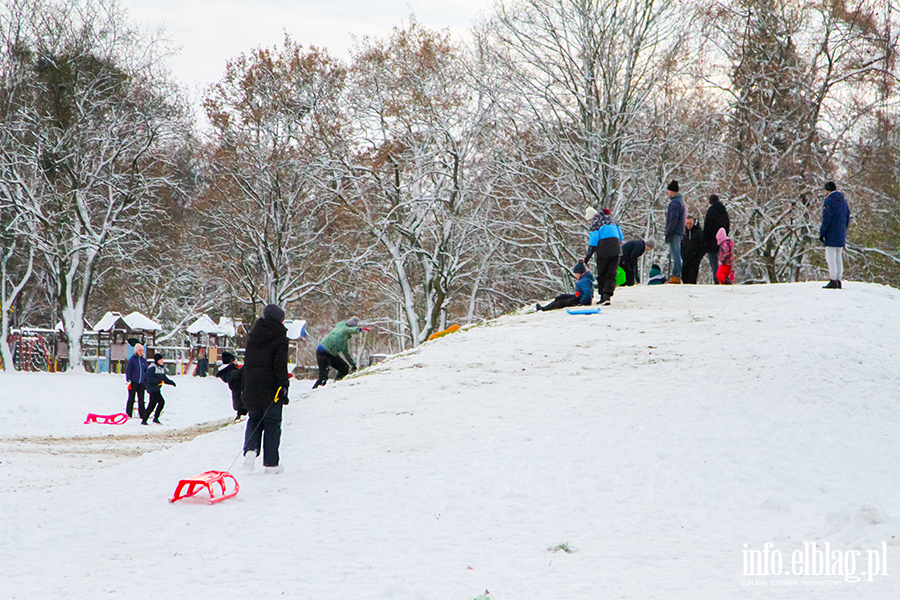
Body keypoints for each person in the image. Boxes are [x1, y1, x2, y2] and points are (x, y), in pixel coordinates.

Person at [242, 303, 290, 474]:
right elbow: (280, 365)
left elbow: (247, 364)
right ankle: (271, 464)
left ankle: (250, 451)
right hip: (271, 389)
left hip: (252, 387)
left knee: (254, 419)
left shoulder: (253, 336)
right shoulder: (280, 338)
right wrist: (283, 386)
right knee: (272, 424)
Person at [313, 317, 367, 389]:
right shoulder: (341, 325)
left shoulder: (344, 343)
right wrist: (358, 329)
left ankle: (337, 385)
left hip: (332, 354)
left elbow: (347, 354)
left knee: (344, 367)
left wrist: (353, 364)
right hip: (323, 351)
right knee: (323, 376)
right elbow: (346, 330)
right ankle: (315, 392)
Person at [584, 207, 623, 305]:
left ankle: (603, 296)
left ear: (592, 218)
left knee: (602, 273)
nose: (589, 223)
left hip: (604, 249)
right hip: (616, 249)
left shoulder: (596, 225)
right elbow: (621, 237)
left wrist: (587, 258)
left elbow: (593, 243)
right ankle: (607, 296)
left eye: (589, 220)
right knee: (611, 273)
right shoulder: (612, 222)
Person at [820, 181, 850, 289]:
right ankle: (838, 280)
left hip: (831, 232)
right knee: (838, 256)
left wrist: (822, 232)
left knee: (830, 256)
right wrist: (843, 229)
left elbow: (826, 219)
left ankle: (832, 279)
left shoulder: (829, 201)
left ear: (828, 190)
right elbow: (847, 216)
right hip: (841, 232)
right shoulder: (843, 201)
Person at [702, 194, 730, 283]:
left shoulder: (711, 211)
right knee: (722, 261)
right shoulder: (724, 212)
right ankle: (723, 277)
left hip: (711, 242)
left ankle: (717, 279)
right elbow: (727, 226)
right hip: (723, 241)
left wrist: (705, 240)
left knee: (714, 262)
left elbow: (707, 226)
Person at [144, 353, 176, 425]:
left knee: (152, 404)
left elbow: (164, 378)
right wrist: (158, 381)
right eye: (160, 360)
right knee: (161, 402)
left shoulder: (161, 369)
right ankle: (155, 418)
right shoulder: (152, 368)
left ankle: (145, 419)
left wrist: (171, 382)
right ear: (157, 361)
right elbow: (148, 378)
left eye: (162, 360)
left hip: (157, 389)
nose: (162, 361)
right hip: (152, 389)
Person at [664, 180, 686, 283]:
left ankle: (676, 275)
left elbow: (673, 218)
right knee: (676, 253)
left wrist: (669, 231)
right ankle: (676, 274)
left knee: (676, 253)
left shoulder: (675, 203)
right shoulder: (680, 202)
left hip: (675, 232)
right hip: (679, 231)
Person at [216, 351, 246, 421]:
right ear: (231, 361)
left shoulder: (228, 372)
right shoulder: (232, 372)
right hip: (241, 401)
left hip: (238, 401)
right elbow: (238, 374)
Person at [125, 343, 148, 420]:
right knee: (131, 398)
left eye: (142, 350)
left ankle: (142, 414)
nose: (141, 352)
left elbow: (146, 371)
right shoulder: (132, 360)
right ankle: (128, 414)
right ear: (136, 351)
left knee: (141, 399)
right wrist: (129, 380)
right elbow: (129, 370)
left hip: (141, 382)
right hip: (133, 382)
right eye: (140, 350)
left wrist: (146, 380)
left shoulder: (144, 360)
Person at [681, 216, 705, 284]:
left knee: (692, 277)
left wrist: (699, 256)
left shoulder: (699, 232)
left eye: (690, 224)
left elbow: (703, 245)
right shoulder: (683, 232)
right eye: (687, 223)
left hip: (695, 258)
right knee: (684, 276)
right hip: (685, 257)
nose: (688, 225)